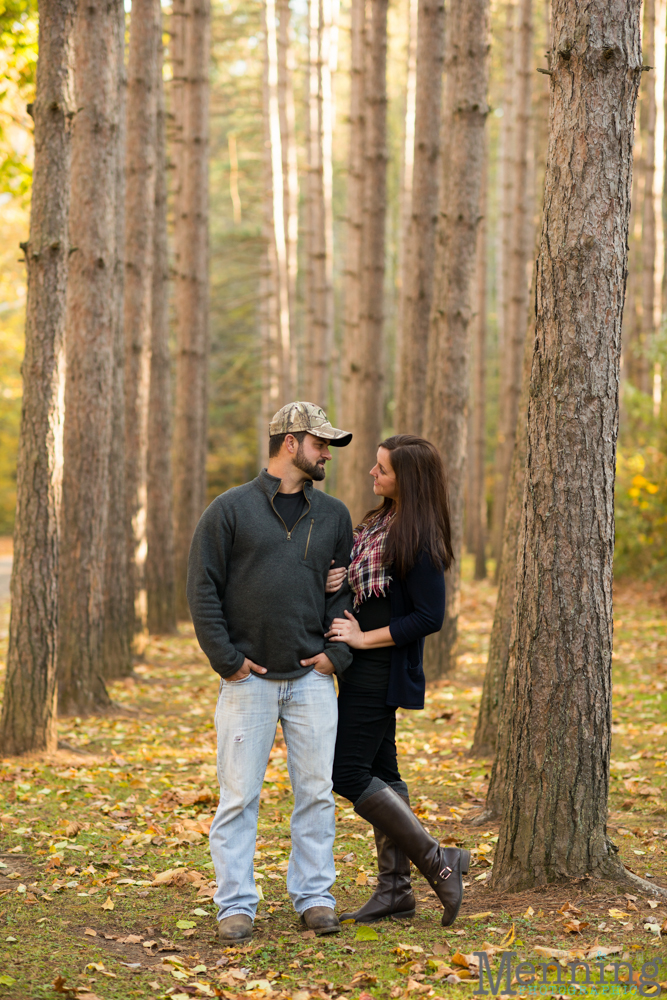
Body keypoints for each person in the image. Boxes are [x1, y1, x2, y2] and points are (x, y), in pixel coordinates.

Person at [187, 402, 354, 943]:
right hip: (248, 682)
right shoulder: (229, 510)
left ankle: (315, 896)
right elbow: (202, 588)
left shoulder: (333, 515)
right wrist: (228, 661)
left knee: (316, 791)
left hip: (311, 679)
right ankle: (235, 903)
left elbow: (344, 588)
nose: (326, 452)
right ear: (289, 443)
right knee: (238, 796)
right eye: (319, 443)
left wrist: (337, 655)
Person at [325, 434, 469, 927]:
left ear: (406, 479)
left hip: (381, 670)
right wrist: (338, 581)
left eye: (382, 469)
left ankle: (438, 861)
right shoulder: (379, 522)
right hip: (363, 671)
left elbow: (430, 616)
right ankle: (395, 891)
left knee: (346, 774)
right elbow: (370, 586)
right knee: (383, 773)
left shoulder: (419, 536)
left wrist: (363, 640)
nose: (372, 473)